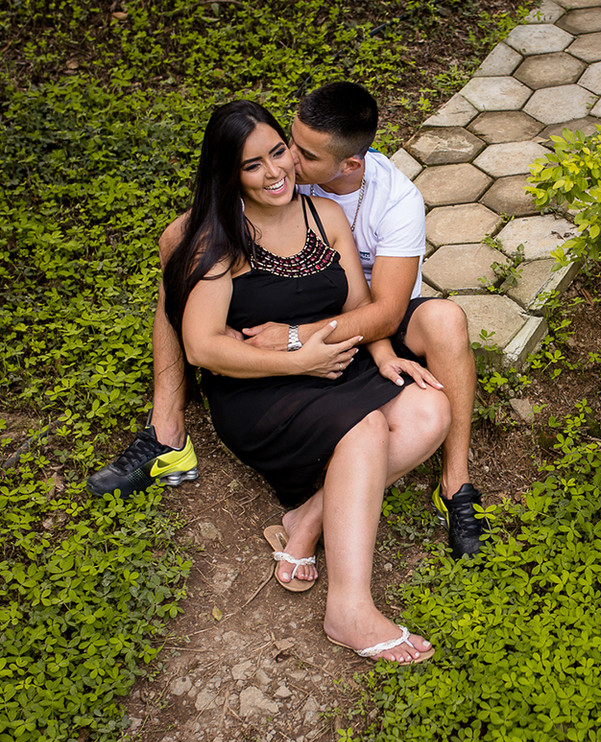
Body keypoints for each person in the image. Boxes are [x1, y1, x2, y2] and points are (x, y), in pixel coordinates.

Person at [88, 82, 489, 559]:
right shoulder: (277, 176)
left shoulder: (394, 201)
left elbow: (382, 311)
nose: (289, 162)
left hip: (371, 312)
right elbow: (188, 229)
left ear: (349, 165)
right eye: (288, 142)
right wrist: (205, 293)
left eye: (302, 154)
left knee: (446, 320)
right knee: (178, 267)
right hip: (301, 312)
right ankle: (167, 430)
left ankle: (455, 484)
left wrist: (295, 339)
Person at [162, 99, 447, 662]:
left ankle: (307, 515)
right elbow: (202, 347)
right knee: (365, 427)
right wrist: (299, 361)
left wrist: (385, 354)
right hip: (258, 388)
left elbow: (361, 302)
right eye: (253, 165)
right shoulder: (220, 243)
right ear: (229, 175)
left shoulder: (325, 216)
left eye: (278, 153)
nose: (275, 172)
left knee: (428, 410)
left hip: (336, 367)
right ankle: (349, 608)